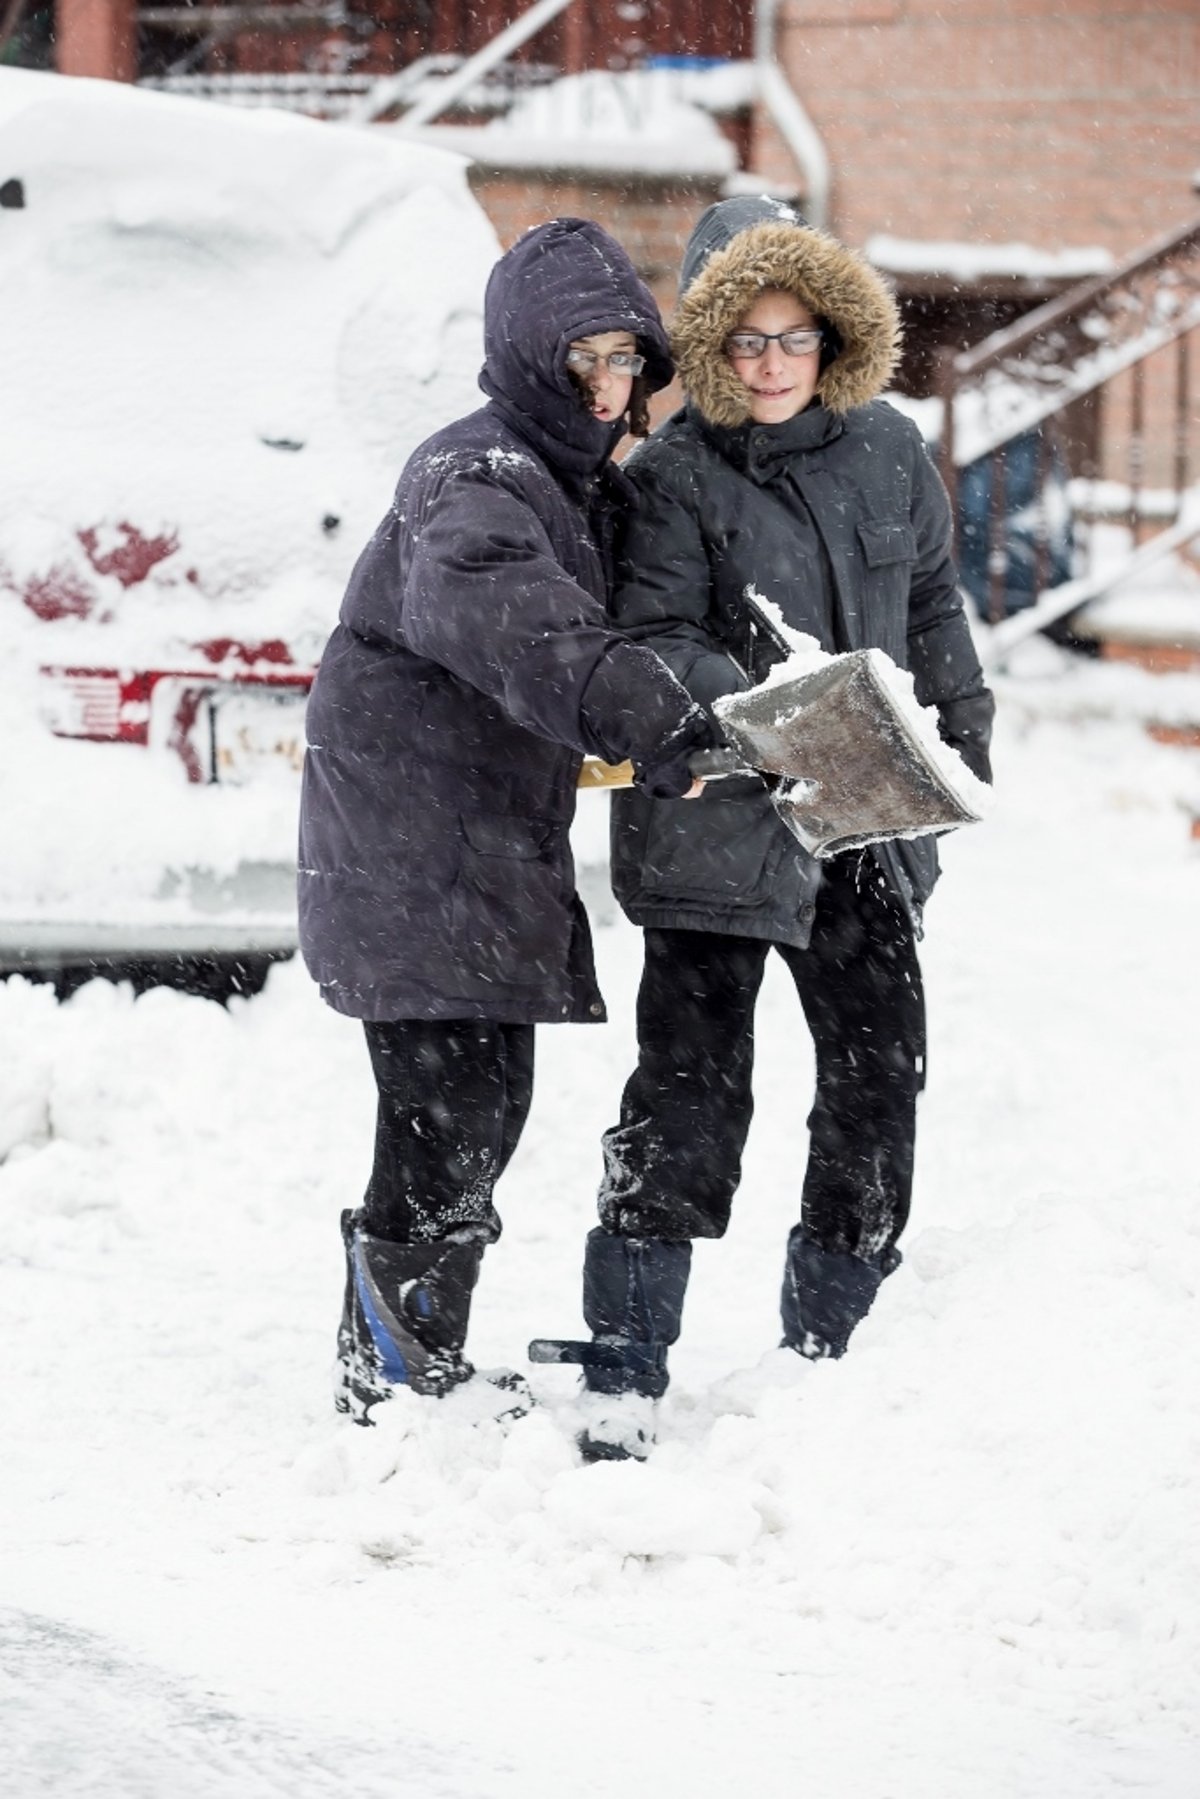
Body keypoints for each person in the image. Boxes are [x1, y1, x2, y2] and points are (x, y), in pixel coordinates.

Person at [547, 196, 995, 1461]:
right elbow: (655, 637)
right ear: (705, 342)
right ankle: (627, 1367)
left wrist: (958, 744)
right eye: (742, 338)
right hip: (718, 827)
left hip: (866, 827)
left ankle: (832, 1352)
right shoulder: (674, 478)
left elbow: (934, 606)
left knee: (876, 1081)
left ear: (834, 336)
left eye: (795, 336)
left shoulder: (892, 450)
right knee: (689, 1094)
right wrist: (764, 704)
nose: (771, 362)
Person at [297, 217, 716, 1423]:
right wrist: (647, 709)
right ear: (525, 357)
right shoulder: (473, 476)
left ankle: (403, 1353)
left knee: (474, 1106)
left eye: (625, 360)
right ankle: (393, 1363)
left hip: (463, 847)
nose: (604, 383)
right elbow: (520, 622)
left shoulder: (571, 484)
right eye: (579, 359)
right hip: (411, 844)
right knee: (450, 1113)